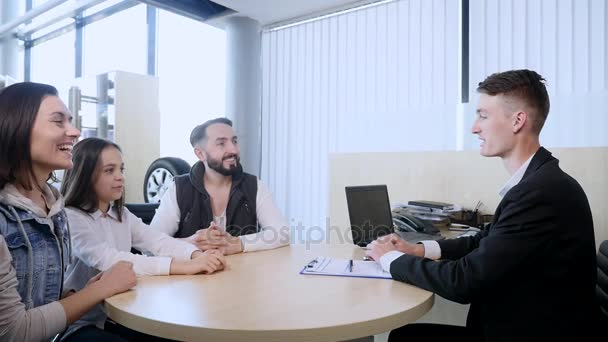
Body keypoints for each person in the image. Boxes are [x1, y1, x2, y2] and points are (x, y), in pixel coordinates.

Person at [366, 69, 599, 341]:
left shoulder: (541, 193)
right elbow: (482, 243)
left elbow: (464, 282)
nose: (474, 127)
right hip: (518, 324)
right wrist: (417, 250)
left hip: (528, 333)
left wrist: (390, 259)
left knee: (406, 338)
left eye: (483, 115)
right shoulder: (537, 182)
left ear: (517, 121)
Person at [0, 82, 136, 341]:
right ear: (18, 128)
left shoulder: (54, 208)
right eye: (58, 121)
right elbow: (12, 332)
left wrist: (80, 293)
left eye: (71, 122)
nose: (74, 132)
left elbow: (37, 298)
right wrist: (97, 292)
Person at [60, 137, 227, 341]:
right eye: (109, 170)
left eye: (121, 169)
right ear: (85, 176)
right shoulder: (71, 218)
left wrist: (197, 255)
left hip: (120, 317)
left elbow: (157, 241)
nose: (120, 177)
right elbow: (110, 260)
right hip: (81, 325)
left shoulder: (122, 214)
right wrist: (186, 266)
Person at [150, 118, 290, 254]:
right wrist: (190, 243)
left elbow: (283, 233)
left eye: (234, 141)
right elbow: (150, 244)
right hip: (192, 276)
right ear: (200, 154)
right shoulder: (179, 188)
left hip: (243, 274)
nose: (233, 150)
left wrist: (238, 243)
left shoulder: (254, 185)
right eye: (221, 143)